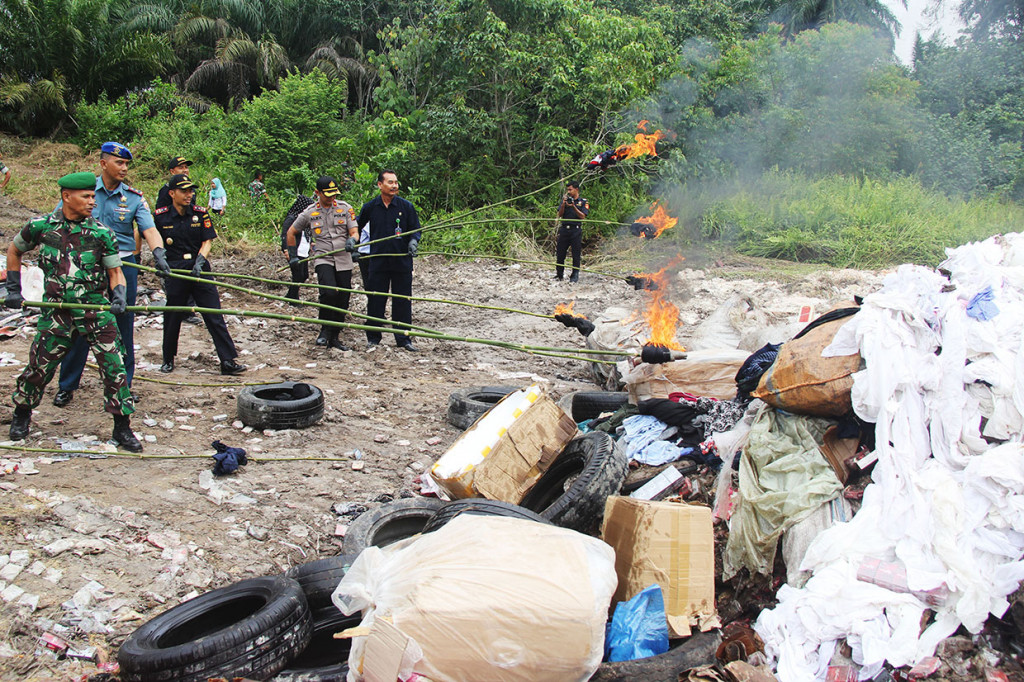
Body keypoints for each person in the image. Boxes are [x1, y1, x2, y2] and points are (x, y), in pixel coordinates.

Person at [5, 172, 143, 452]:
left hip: (94, 310)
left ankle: (122, 427)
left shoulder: (102, 233)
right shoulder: (40, 227)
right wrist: (13, 289)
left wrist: (118, 296)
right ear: (67, 197)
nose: (93, 201)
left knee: (115, 367)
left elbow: (115, 271)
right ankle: (22, 414)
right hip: (57, 312)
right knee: (38, 367)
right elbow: (14, 250)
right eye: (86, 196)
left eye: (93, 196)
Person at [52, 142, 171, 409]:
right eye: (119, 163)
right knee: (80, 322)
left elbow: (149, 229)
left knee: (122, 323)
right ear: (103, 164)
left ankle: (123, 385)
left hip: (123, 265)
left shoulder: (134, 198)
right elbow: (57, 221)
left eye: (127, 164)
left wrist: (159, 253)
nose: (124, 168)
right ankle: (67, 386)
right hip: (86, 266)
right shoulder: (82, 191)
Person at [153, 175, 246, 375]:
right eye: (184, 191)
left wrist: (200, 260)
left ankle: (227, 360)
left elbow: (207, 241)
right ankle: (168, 359)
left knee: (213, 313)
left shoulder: (200, 213)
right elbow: (152, 238)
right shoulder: (161, 217)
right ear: (172, 193)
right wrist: (159, 259)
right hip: (176, 270)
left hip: (199, 268)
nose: (189, 195)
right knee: (173, 315)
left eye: (191, 191)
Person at [352, 169, 420, 351]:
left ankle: (404, 338)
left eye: (396, 182)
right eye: (390, 182)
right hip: (378, 261)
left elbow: (415, 229)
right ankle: (373, 337)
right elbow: (356, 227)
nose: (394, 186)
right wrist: (354, 245)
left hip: (401, 261)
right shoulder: (370, 207)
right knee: (376, 299)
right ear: (380, 185)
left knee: (402, 301)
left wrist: (413, 241)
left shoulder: (406, 207)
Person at [286, 176, 358, 350]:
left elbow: (354, 231)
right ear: (317, 193)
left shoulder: (345, 208)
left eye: (334, 194)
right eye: (328, 194)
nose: (332, 198)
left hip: (343, 257)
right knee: (328, 292)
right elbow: (291, 232)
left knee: (343, 295)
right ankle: (325, 330)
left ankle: (335, 334)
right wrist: (293, 255)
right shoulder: (309, 212)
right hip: (323, 257)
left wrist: (352, 241)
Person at [280, 194, 314, 304]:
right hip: (295, 251)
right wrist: (286, 250)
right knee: (297, 275)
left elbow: (308, 233)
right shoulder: (292, 218)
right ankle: (293, 299)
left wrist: (311, 242)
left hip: (303, 251)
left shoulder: (305, 220)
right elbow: (285, 234)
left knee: (304, 275)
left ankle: (290, 295)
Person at [554, 180, 589, 283]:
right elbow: (560, 214)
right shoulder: (565, 200)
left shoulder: (583, 201)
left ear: (576, 189)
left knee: (576, 254)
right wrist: (564, 204)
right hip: (565, 229)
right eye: (568, 190)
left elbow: (583, 216)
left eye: (570, 190)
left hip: (575, 230)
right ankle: (559, 274)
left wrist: (573, 206)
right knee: (560, 253)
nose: (569, 192)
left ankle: (574, 275)